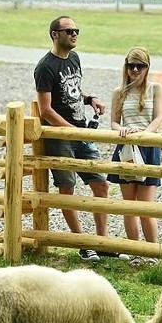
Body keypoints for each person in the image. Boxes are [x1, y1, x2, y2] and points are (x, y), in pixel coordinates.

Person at [34, 15, 112, 262]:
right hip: (61, 136)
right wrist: (69, 129)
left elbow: (73, 91)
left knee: (100, 184)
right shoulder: (45, 67)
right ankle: (81, 242)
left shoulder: (75, 59)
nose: (74, 34)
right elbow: (45, 109)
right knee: (67, 187)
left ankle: (101, 241)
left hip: (81, 131)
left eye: (76, 30)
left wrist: (91, 99)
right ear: (55, 34)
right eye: (69, 31)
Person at [108, 47, 162, 267]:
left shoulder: (155, 89)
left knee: (146, 205)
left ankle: (152, 253)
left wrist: (146, 134)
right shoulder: (118, 92)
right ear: (126, 66)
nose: (135, 70)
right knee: (129, 204)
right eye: (131, 65)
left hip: (148, 147)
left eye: (140, 66)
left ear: (147, 68)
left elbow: (159, 117)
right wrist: (120, 129)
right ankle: (135, 252)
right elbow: (113, 121)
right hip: (127, 149)